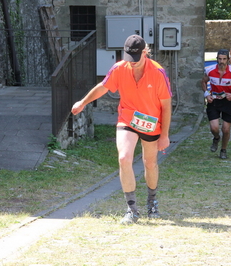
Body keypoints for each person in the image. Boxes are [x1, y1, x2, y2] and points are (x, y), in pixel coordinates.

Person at [71, 35, 172, 224]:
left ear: (144, 52)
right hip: (128, 119)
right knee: (124, 158)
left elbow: (166, 106)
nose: (132, 63)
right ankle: (132, 209)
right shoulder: (119, 68)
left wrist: (164, 135)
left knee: (150, 164)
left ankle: (152, 202)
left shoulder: (158, 73)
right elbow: (103, 87)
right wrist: (83, 102)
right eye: (129, 58)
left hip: (151, 122)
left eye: (136, 58)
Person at [201, 49, 231, 159]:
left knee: (226, 129)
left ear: (228, 60)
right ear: (217, 59)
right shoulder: (210, 70)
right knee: (214, 128)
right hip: (214, 101)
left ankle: (223, 149)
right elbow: (203, 82)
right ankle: (216, 138)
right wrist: (206, 94)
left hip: (227, 102)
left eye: (224, 59)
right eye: (219, 59)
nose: (222, 61)